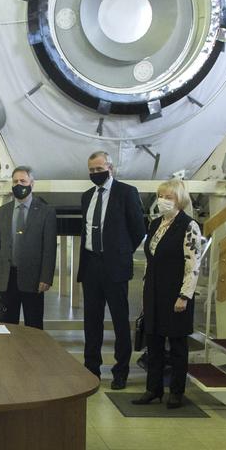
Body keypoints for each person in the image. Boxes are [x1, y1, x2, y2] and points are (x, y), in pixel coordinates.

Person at [78, 151, 146, 389]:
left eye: (100, 169)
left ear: (110, 167)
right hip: (91, 265)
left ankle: (121, 371)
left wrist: (121, 252)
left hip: (115, 266)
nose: (96, 174)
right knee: (91, 321)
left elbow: (138, 229)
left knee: (119, 320)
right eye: (92, 170)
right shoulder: (87, 196)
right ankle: (91, 369)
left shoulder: (126, 193)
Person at [134, 179, 203, 409]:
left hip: (176, 294)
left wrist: (184, 296)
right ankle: (153, 389)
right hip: (153, 292)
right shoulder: (155, 224)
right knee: (153, 343)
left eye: (169, 197)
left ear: (180, 200)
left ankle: (176, 391)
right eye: (161, 196)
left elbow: (192, 265)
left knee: (176, 345)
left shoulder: (188, 225)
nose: (163, 201)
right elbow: (150, 260)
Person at [0, 166, 56, 329]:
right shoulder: (2, 212)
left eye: (23, 181)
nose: (19, 184)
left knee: (34, 324)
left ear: (32, 184)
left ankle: (34, 354)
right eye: (15, 181)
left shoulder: (46, 212)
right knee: (7, 325)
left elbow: (49, 248)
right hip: (7, 277)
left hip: (33, 279)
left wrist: (46, 278)